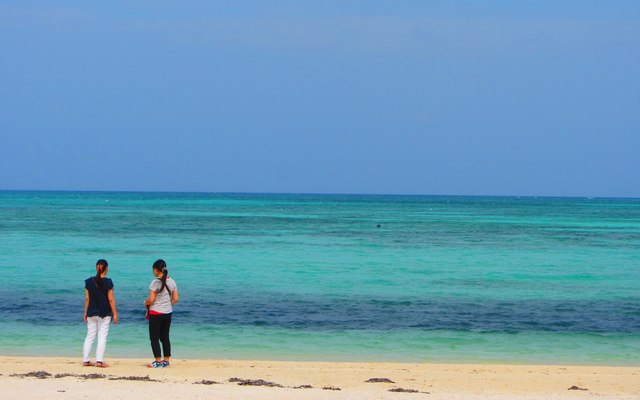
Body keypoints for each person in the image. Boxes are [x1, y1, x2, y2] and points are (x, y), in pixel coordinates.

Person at [83, 259, 118, 367]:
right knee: (102, 337)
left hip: (91, 312)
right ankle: (99, 361)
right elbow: (111, 299)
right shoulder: (108, 282)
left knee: (90, 336)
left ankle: (86, 360)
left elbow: (87, 299)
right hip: (104, 313)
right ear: (106, 269)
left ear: (96, 268)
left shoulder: (88, 281)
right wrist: (115, 313)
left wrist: (85, 312)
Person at [144, 259, 179, 368]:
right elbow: (176, 299)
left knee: (154, 338)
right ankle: (166, 361)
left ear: (156, 270)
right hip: (168, 313)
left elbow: (152, 300)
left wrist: (145, 302)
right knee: (165, 337)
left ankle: (158, 362)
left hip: (156, 313)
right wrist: (167, 305)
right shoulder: (172, 281)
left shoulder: (155, 282)